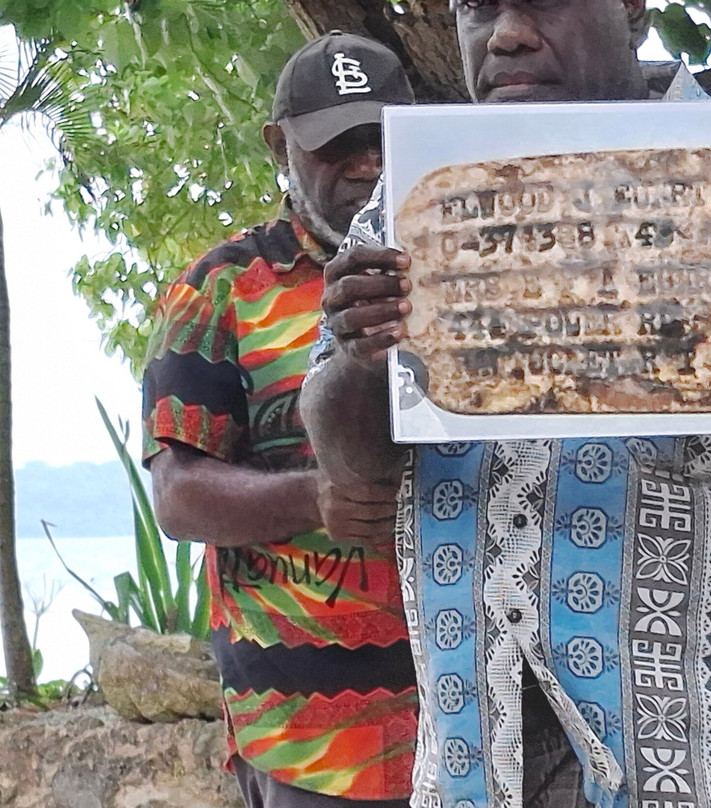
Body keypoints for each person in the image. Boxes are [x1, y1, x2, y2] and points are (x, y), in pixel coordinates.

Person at [300, 2, 711, 807]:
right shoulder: (419, 196)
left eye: (541, 3)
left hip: (704, 743)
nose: (504, 35)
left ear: (632, 9)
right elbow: (350, 459)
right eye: (474, 8)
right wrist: (361, 355)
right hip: (486, 737)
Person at [142, 31, 417, 808]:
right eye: (338, 146)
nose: (367, 164)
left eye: (383, 139)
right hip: (312, 741)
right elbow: (177, 494)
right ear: (281, 147)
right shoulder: (222, 289)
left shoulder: (468, 263)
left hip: (478, 720)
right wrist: (313, 499)